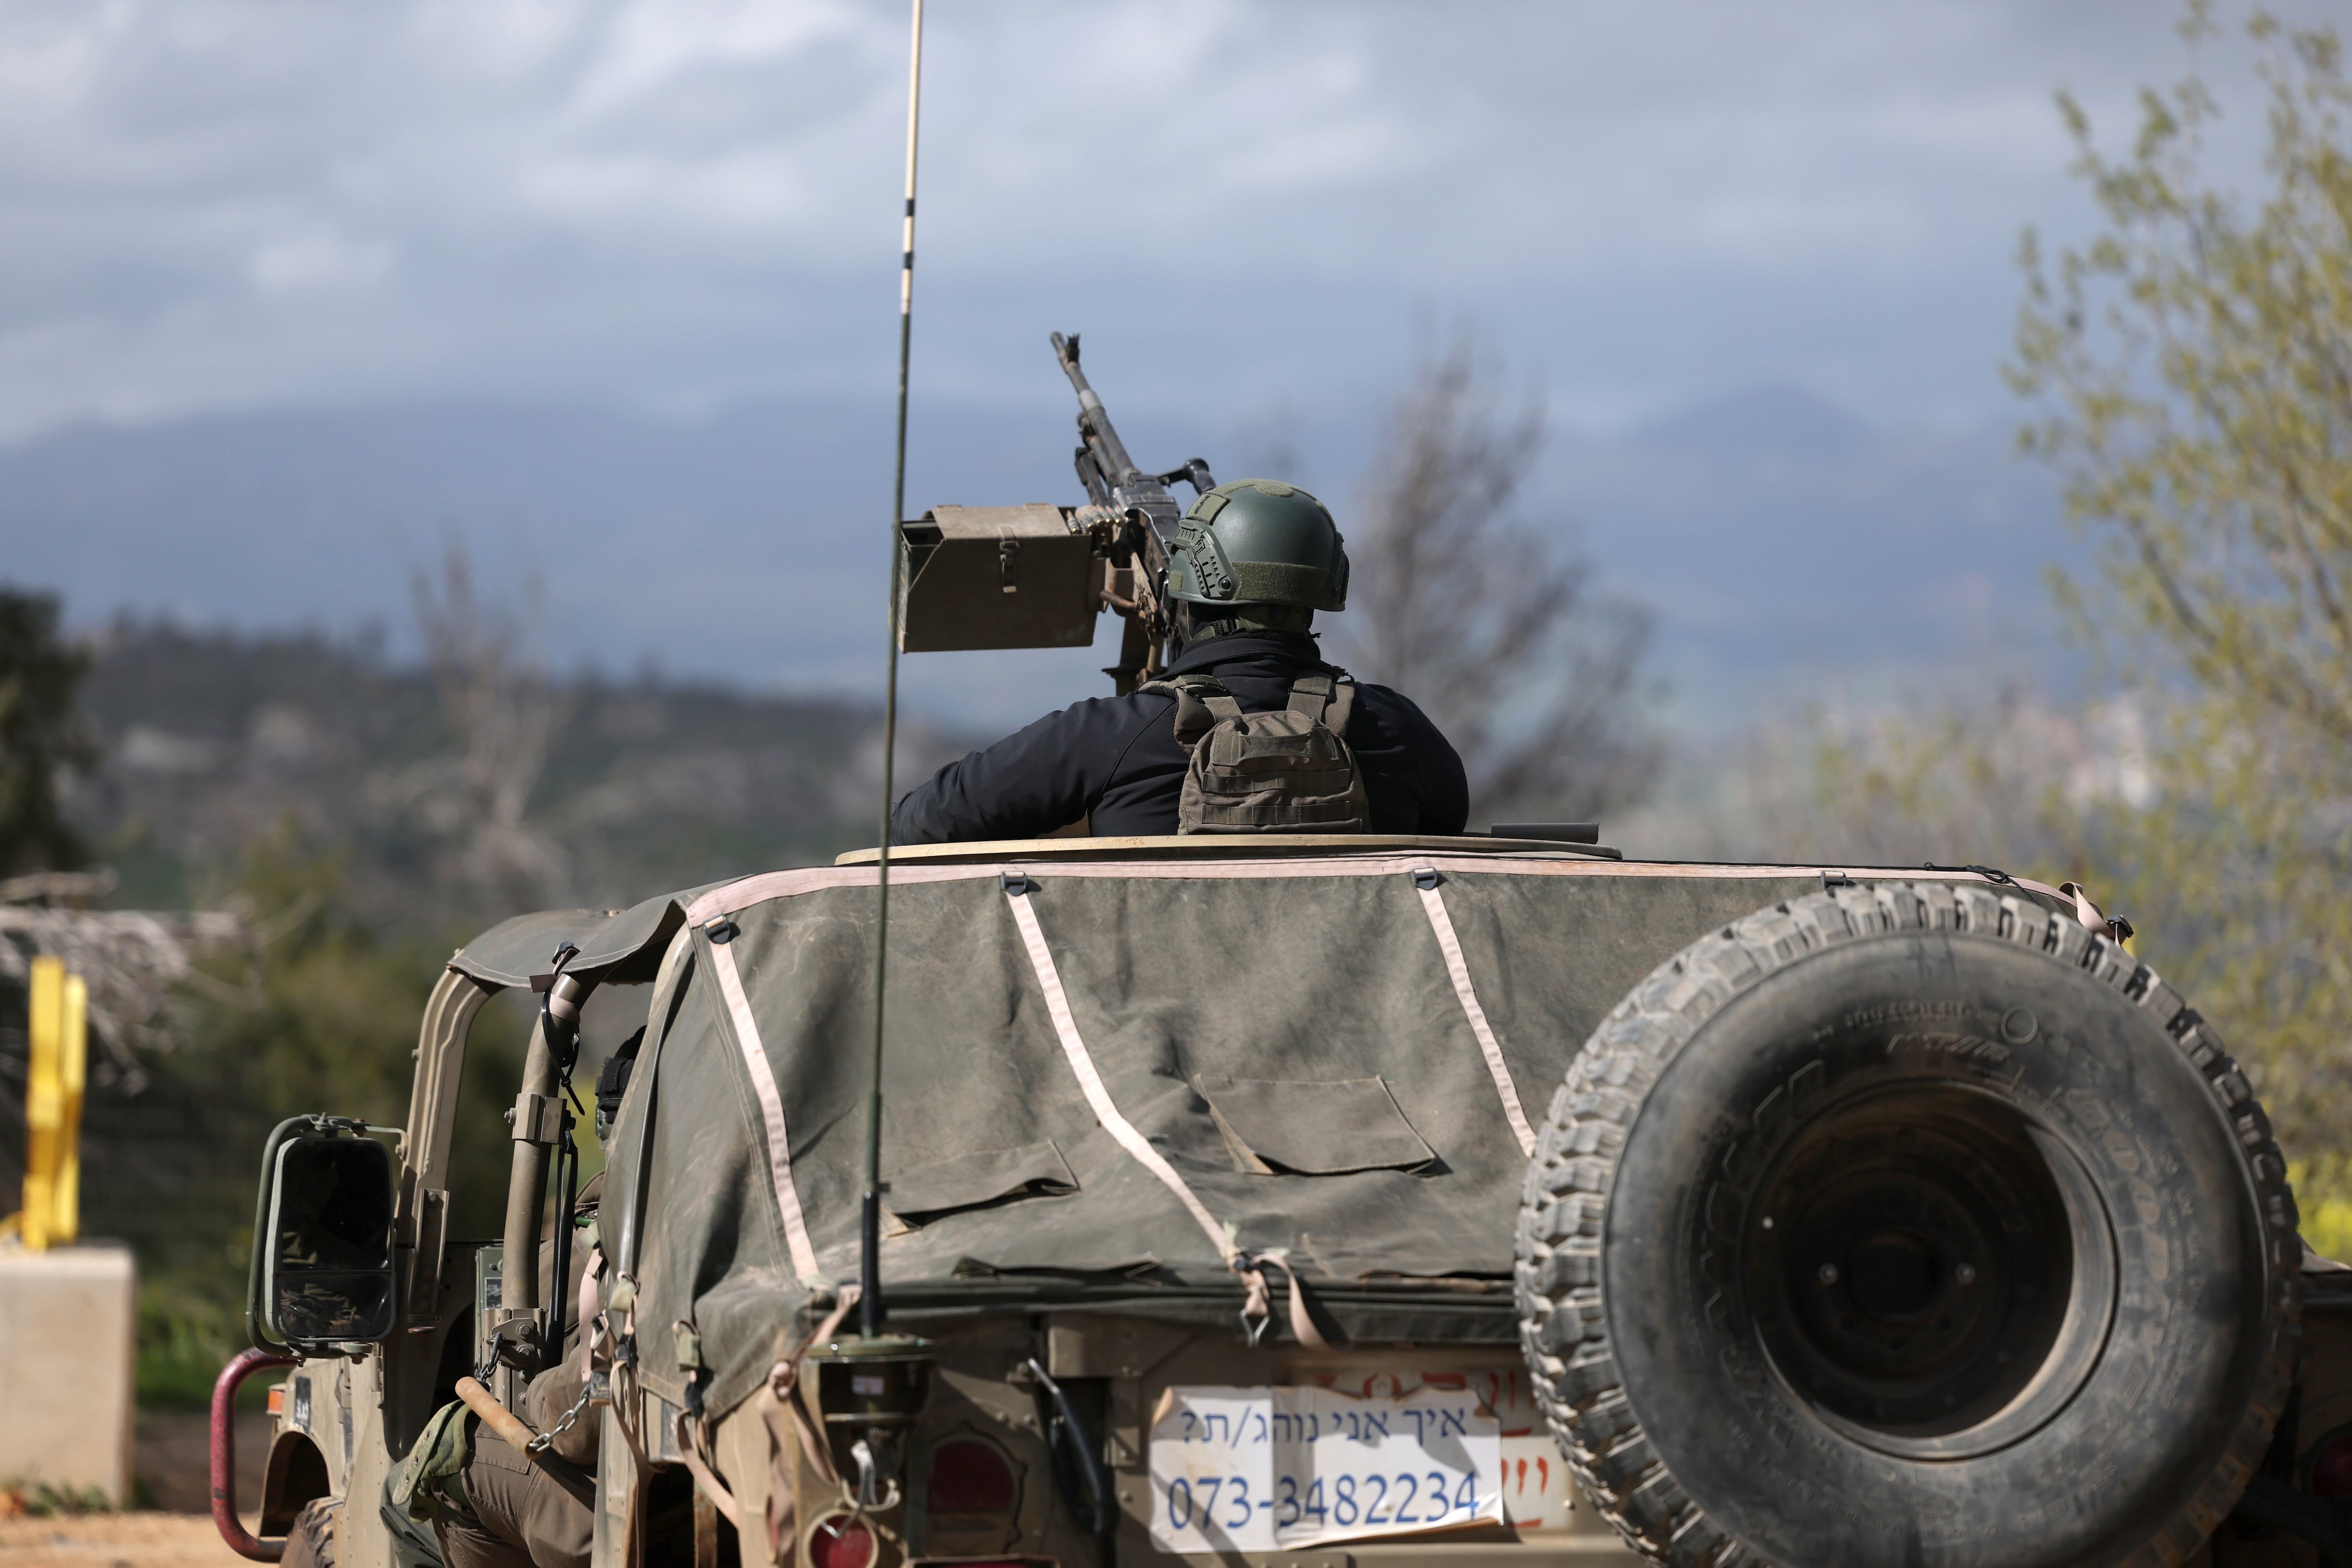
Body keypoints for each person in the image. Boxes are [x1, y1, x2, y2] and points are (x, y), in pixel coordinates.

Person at [891, 478, 1468, 842]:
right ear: (1323, 592)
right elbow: (1447, 825)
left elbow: (921, 822)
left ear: (1183, 598)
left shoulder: (1108, 736)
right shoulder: (1398, 732)